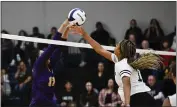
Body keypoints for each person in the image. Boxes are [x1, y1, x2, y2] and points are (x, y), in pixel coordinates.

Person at [71, 26, 163, 106]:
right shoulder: (120, 59)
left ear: (121, 51)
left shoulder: (123, 63)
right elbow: (99, 49)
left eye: (118, 46)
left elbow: (126, 83)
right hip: (141, 97)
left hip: (138, 98)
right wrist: (84, 34)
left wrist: (127, 103)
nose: (116, 46)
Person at [29, 19, 72, 107]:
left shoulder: (50, 64)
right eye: (42, 54)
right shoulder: (39, 65)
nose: (44, 55)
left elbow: (60, 47)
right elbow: (52, 46)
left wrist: (67, 29)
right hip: (38, 103)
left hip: (49, 102)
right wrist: (64, 23)